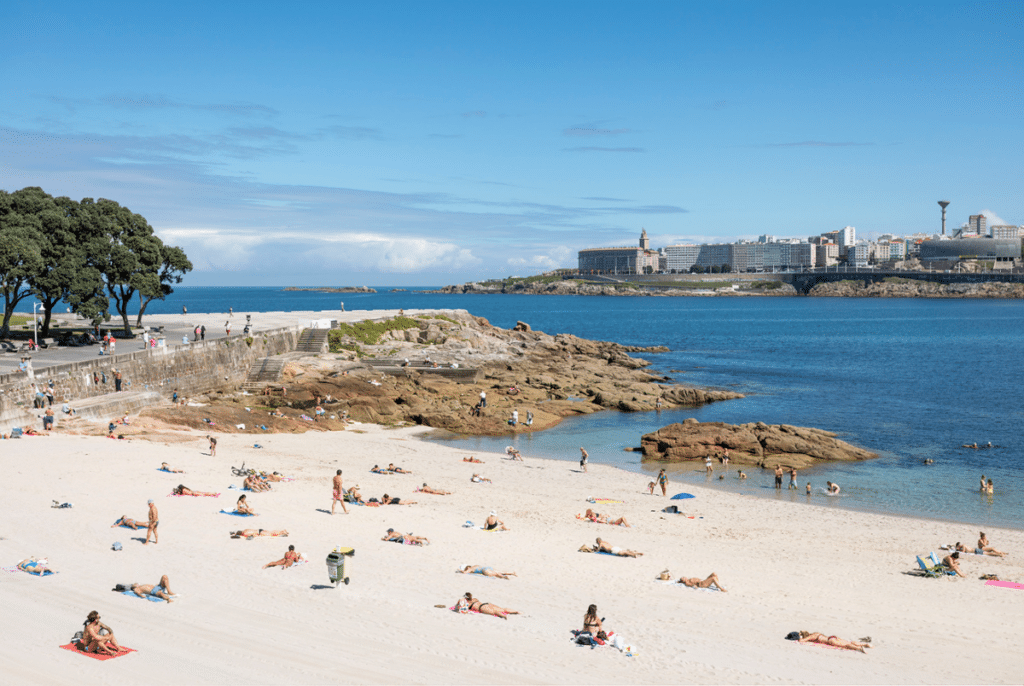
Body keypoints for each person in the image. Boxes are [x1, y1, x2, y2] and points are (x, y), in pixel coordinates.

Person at [794, 631, 870, 653]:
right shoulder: (816, 633)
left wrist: (800, 637)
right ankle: (865, 644)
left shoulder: (811, 636)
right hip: (832, 637)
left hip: (830, 641)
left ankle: (860, 648)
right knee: (848, 642)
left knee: (846, 645)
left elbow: (801, 641)